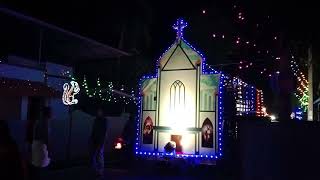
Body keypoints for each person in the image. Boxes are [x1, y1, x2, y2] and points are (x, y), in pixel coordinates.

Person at [31, 107, 52, 179]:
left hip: (36, 146)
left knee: (37, 168)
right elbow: (46, 138)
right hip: (41, 147)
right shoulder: (45, 122)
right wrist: (49, 151)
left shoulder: (38, 121)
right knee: (41, 170)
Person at [89, 108, 108, 177]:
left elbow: (104, 131)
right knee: (94, 155)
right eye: (98, 111)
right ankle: (96, 170)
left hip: (100, 139)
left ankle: (100, 171)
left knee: (99, 155)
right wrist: (92, 138)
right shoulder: (96, 120)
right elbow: (94, 130)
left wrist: (103, 141)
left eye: (99, 112)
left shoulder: (103, 120)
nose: (98, 113)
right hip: (95, 139)